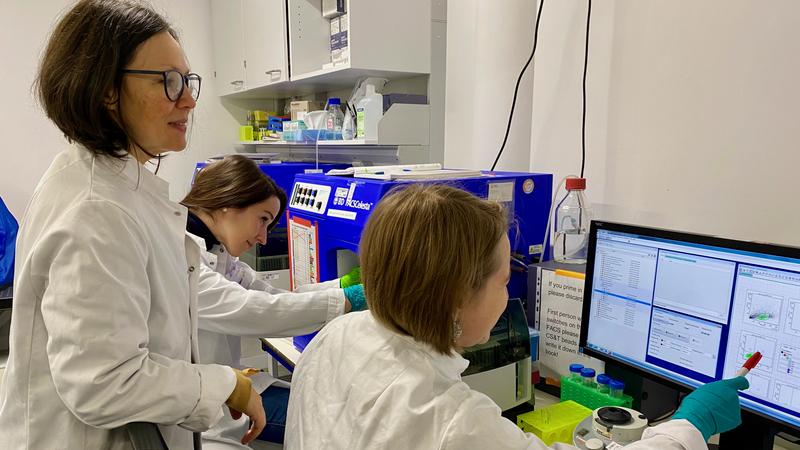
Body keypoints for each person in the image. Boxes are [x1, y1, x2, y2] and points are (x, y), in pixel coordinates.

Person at [285, 184, 749, 449]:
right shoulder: (453, 422)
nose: (509, 297)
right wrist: (690, 425)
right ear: (455, 296)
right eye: (504, 281)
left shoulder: (337, 335)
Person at [0, 1, 265, 448]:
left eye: (188, 80)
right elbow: (103, 383)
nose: (189, 99)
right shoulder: (96, 208)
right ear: (105, 89)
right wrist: (224, 385)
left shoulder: (115, 186)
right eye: (169, 81)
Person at [180, 154, 366, 448]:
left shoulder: (218, 252)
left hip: (228, 388)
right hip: (200, 415)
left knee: (329, 408)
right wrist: (348, 301)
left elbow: (269, 296)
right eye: (263, 220)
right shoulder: (182, 257)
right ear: (229, 202)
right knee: (336, 419)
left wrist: (341, 286)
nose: (264, 238)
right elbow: (252, 310)